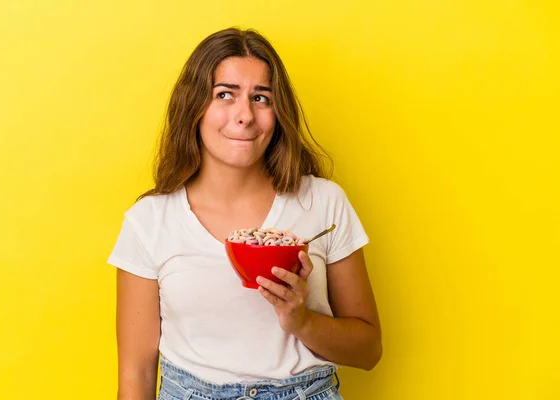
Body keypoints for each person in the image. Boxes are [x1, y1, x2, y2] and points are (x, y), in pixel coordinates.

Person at [107, 27, 382, 400]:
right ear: (195, 107)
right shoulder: (149, 221)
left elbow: (368, 351)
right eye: (225, 95)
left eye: (261, 98)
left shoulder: (322, 202)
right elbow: (136, 373)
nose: (245, 116)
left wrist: (300, 320)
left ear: (277, 111)